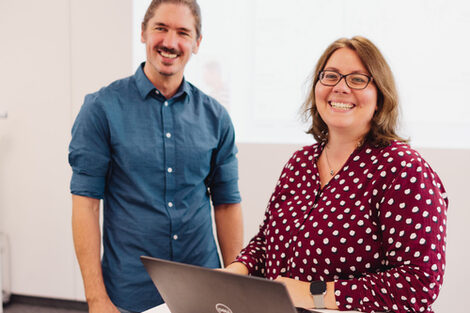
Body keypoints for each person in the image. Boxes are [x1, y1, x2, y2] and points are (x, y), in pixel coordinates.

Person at [225, 36, 448, 313]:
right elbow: (267, 242)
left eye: (357, 79)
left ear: (380, 96)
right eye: (330, 76)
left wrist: (312, 293)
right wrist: (234, 272)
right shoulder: (300, 162)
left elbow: (419, 282)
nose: (340, 87)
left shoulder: (403, 169)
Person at [68, 1, 243, 312]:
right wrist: (96, 299)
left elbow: (227, 203)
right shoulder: (101, 109)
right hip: (130, 292)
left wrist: (238, 288)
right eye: (160, 28)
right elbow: (86, 206)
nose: (170, 42)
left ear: (197, 43)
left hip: (204, 287)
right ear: (143, 33)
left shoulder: (217, 118)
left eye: (183, 32)